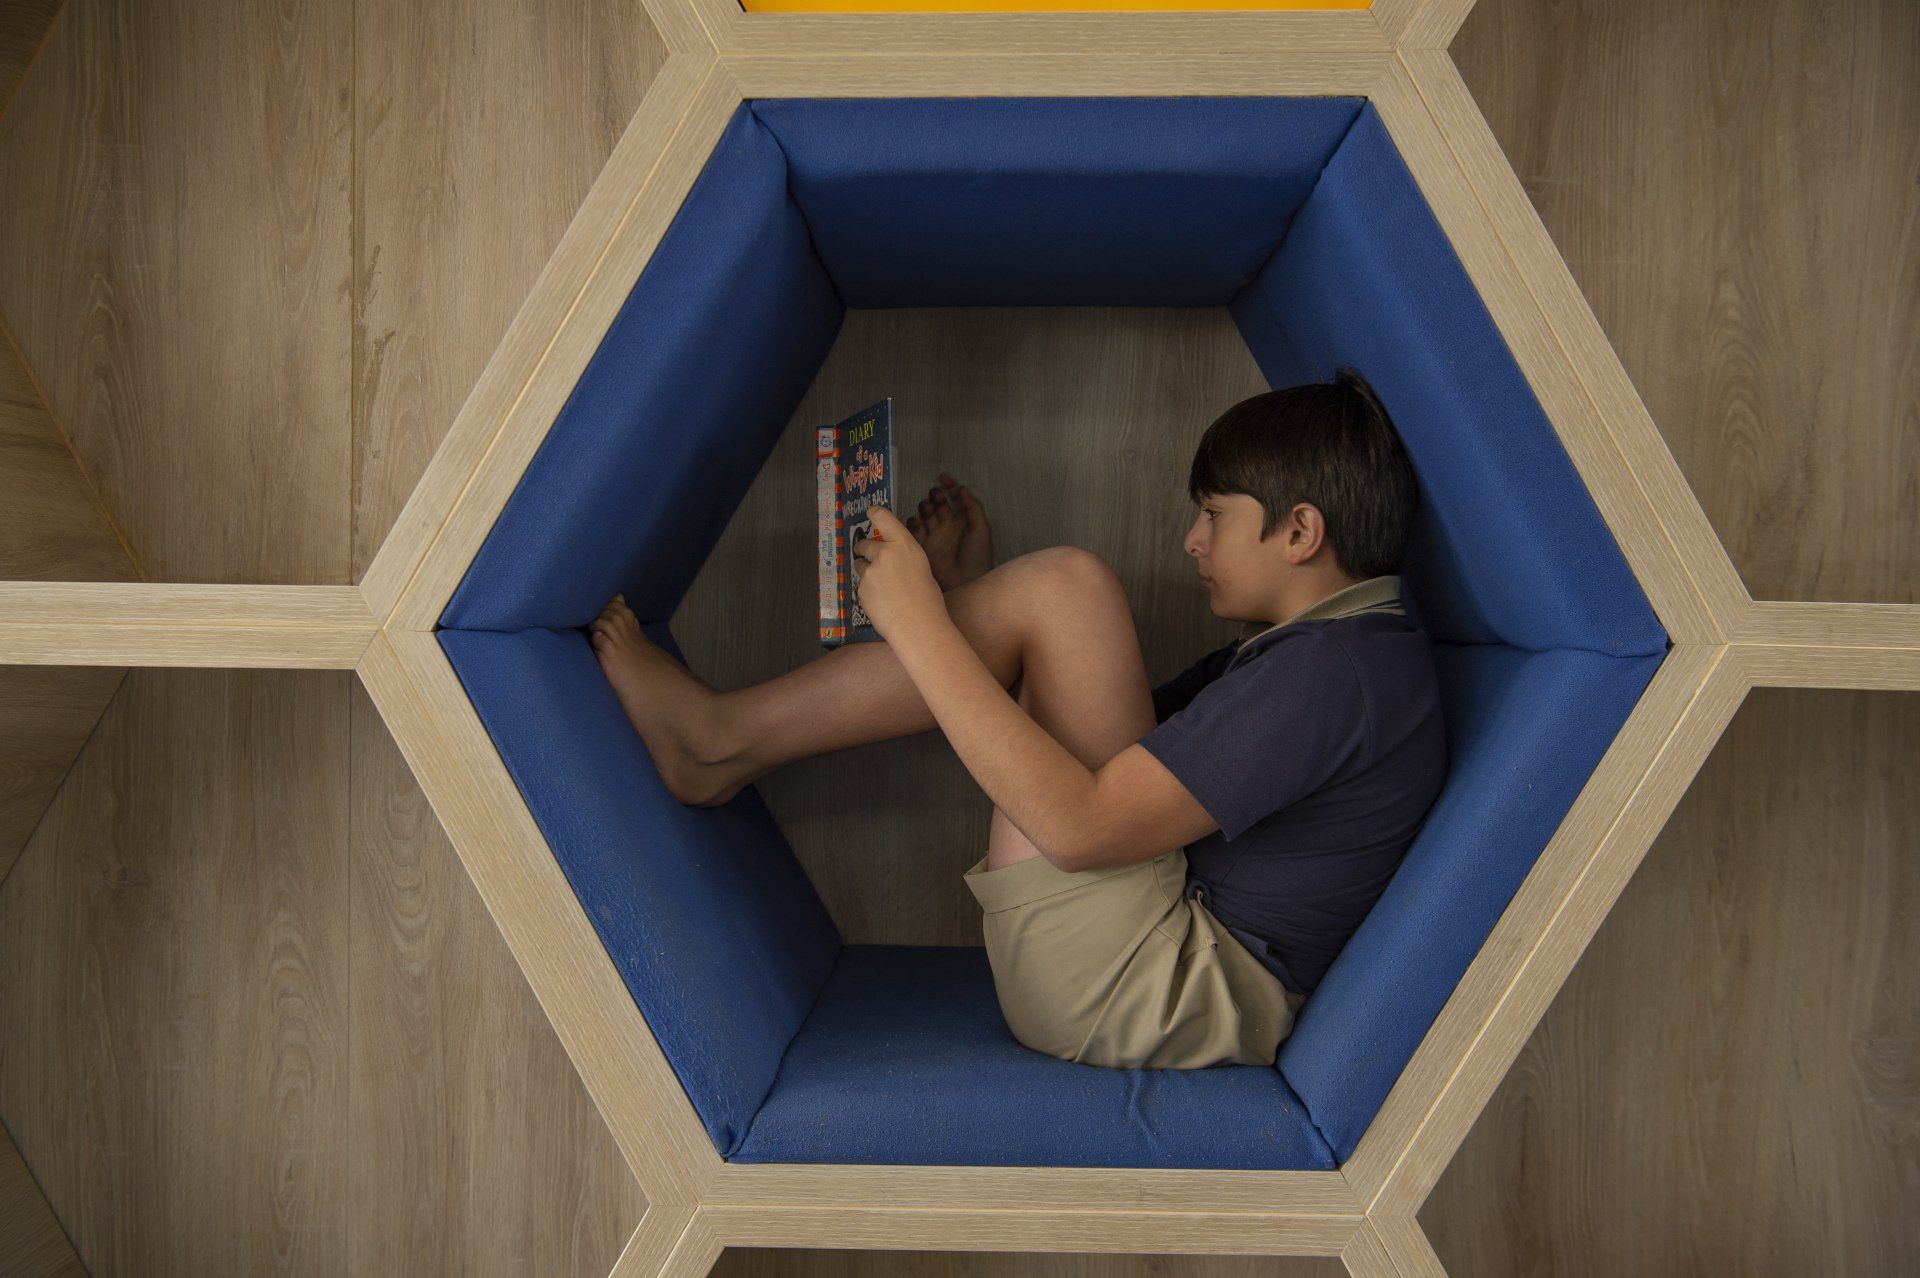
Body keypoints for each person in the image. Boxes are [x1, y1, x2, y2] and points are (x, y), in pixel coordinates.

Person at [587, 368, 1448, 1071]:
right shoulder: (1338, 655)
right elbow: (1119, 736)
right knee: (1056, 601)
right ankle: (719, 740)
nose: (1191, 541)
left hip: (1140, 992)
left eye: (1214, 516)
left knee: (1068, 590)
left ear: (1300, 532)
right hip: (1141, 966)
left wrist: (925, 621)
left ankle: (718, 742)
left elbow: (1078, 826)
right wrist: (977, 614)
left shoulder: (1333, 674)